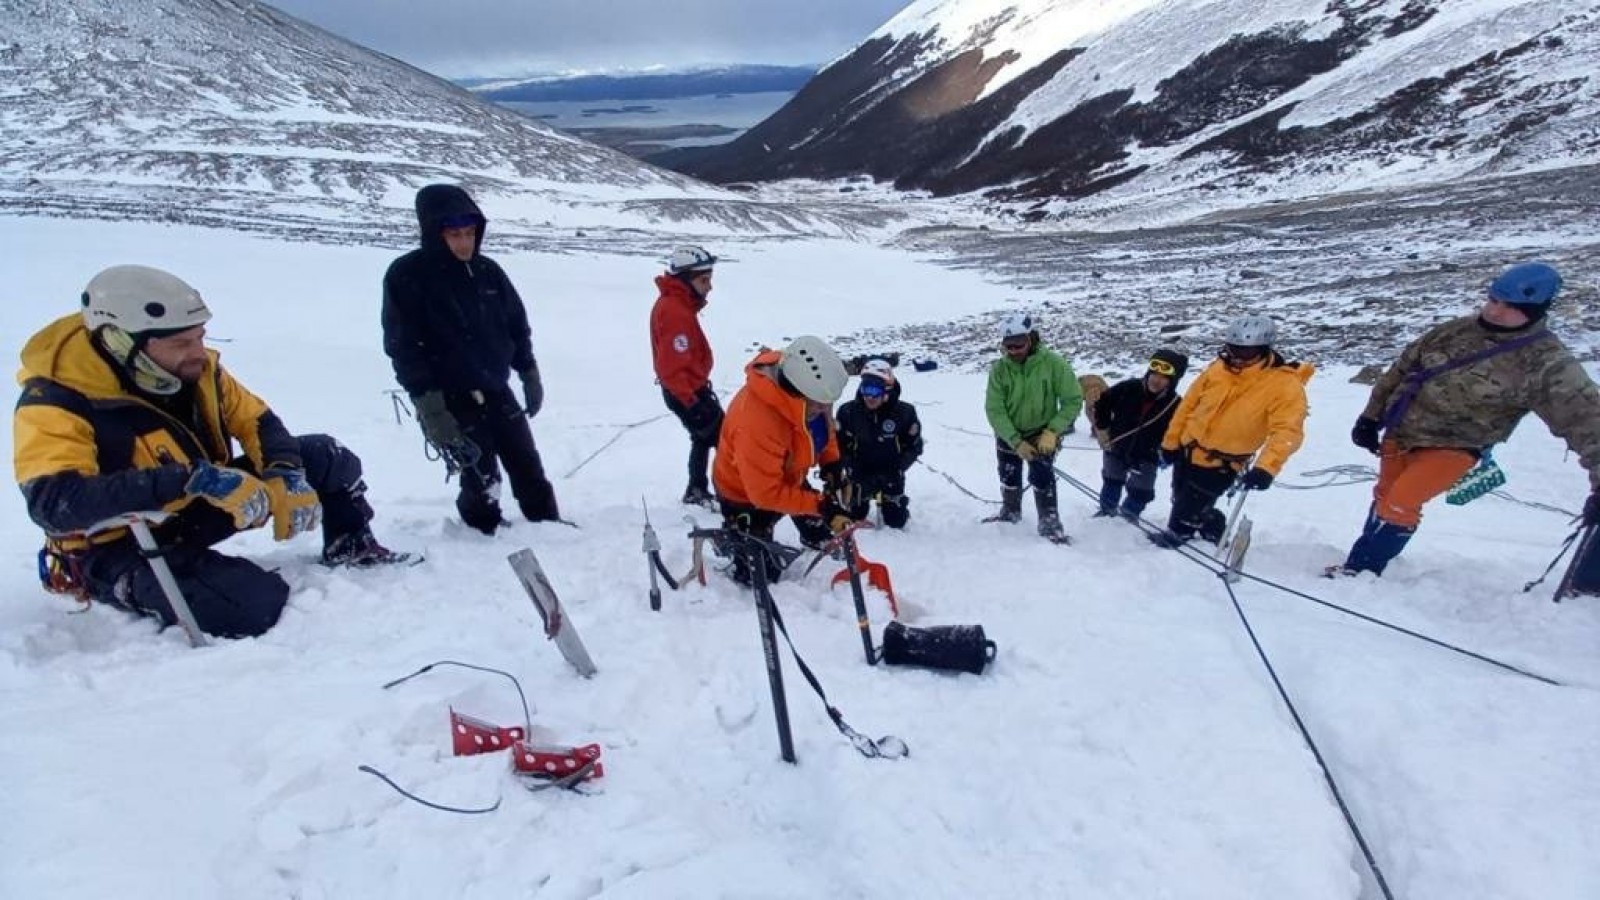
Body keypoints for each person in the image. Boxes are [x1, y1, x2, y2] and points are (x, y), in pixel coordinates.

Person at [14, 265, 403, 639]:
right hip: (113, 544)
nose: (199, 352)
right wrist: (191, 480)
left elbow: (259, 423)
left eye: (201, 336)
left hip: (191, 508)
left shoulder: (197, 372)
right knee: (249, 605)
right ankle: (119, 587)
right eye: (181, 343)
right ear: (120, 341)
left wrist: (285, 472)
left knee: (323, 454)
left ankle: (350, 545)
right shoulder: (56, 401)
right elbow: (56, 502)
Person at [1333, 262, 1600, 577]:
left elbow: (1588, 421)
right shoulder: (1454, 331)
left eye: (1511, 306)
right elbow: (1403, 369)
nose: (1496, 311)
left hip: (1456, 445)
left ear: (1538, 309)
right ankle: (1358, 562)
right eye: (1493, 300)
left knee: (1401, 501)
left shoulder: (1547, 364)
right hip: (1401, 432)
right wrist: (1370, 416)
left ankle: (1363, 569)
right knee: (1385, 496)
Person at [382, 183, 558, 535]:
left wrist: (528, 371)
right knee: (480, 472)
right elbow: (403, 347)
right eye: (454, 234)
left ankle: (547, 523)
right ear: (436, 234)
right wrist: (431, 408)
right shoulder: (407, 276)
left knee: (527, 462)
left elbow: (516, 324)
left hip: (495, 387)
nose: (464, 242)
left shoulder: (488, 272)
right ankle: (483, 531)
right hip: (450, 396)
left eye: (470, 233)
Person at [1152, 315, 1313, 548]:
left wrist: (1266, 467)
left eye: (1246, 352)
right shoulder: (1217, 369)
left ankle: (1178, 535)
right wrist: (1170, 443)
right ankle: (1211, 523)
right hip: (1189, 449)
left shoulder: (1284, 385)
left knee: (1186, 510)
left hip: (1223, 461)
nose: (1237, 357)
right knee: (1181, 497)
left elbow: (1287, 431)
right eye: (1233, 348)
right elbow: (1188, 405)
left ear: (1263, 349)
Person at [712, 336, 853, 585]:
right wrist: (821, 505)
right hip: (745, 494)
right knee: (761, 577)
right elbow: (765, 494)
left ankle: (811, 531)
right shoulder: (757, 423)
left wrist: (832, 464)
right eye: (821, 405)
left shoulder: (809, 396)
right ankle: (733, 535)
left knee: (819, 530)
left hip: (789, 473)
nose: (826, 409)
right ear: (799, 395)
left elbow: (822, 428)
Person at [983, 313, 1083, 542]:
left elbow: (1073, 400)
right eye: (1008, 346)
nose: (1014, 350)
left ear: (1031, 339)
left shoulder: (1054, 364)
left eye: (1018, 344)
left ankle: (1049, 522)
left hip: (1042, 432)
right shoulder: (999, 370)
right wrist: (1014, 440)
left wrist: (1053, 431)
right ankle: (1010, 511)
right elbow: (994, 409)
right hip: (1010, 433)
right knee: (1008, 474)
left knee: (1042, 476)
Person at [650, 245, 722, 508]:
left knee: (703, 438)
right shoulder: (674, 312)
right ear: (686, 280)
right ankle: (731, 493)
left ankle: (697, 488)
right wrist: (692, 404)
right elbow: (671, 367)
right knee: (724, 440)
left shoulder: (678, 305)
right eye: (704, 280)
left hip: (691, 389)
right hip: (687, 393)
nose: (710, 287)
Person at [1091, 348, 1188, 519]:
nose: (1156, 380)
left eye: (1163, 377)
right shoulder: (1129, 387)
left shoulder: (1176, 405)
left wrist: (1166, 452)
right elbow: (1103, 403)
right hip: (1116, 446)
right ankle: (1106, 511)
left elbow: (1180, 432)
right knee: (1111, 480)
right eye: (1153, 373)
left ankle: (1128, 516)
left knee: (1141, 491)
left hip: (1147, 456)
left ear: (1172, 380)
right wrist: (1103, 428)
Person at [835, 358, 923, 528]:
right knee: (855, 515)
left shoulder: (905, 413)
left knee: (896, 522)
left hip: (890, 472)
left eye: (874, 390)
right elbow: (839, 445)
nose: (869, 397)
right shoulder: (848, 412)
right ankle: (858, 500)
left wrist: (898, 468)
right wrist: (850, 467)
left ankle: (895, 504)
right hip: (860, 474)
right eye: (865, 389)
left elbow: (914, 446)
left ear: (887, 390)